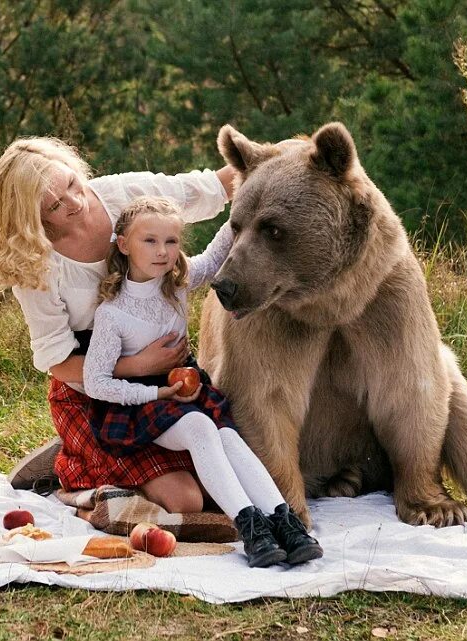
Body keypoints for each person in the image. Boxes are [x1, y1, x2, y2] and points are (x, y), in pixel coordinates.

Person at [0, 136, 236, 514]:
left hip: (165, 382)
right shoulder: (35, 263)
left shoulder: (120, 194)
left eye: (71, 183)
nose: (75, 202)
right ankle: (77, 473)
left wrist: (282, 157)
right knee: (187, 501)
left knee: (227, 478)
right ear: (32, 216)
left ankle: (82, 457)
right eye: (55, 204)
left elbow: (207, 187)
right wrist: (138, 366)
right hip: (94, 393)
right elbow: (58, 361)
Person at [81, 196, 323, 567]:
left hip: (187, 387)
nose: (163, 252)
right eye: (150, 241)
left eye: (172, 242)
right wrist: (157, 391)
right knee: (198, 427)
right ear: (124, 244)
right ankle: (251, 529)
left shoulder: (175, 285)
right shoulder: (113, 313)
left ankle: (284, 521)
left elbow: (212, 258)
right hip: (142, 403)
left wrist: (249, 202)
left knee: (228, 436)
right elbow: (96, 382)